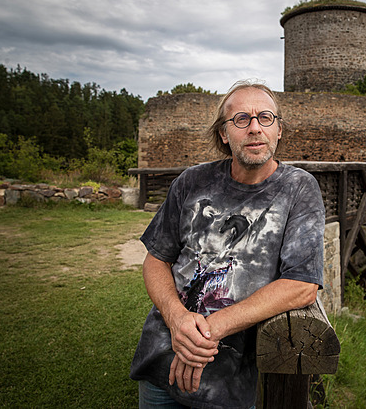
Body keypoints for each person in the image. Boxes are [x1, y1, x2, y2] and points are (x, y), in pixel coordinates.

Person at [130, 80, 325, 409]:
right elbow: (156, 259)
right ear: (223, 133)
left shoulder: (298, 189)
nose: (254, 128)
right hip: (162, 363)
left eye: (265, 118)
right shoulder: (191, 181)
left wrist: (210, 330)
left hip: (228, 384)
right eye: (241, 120)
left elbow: (302, 284)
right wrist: (178, 320)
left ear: (278, 130)